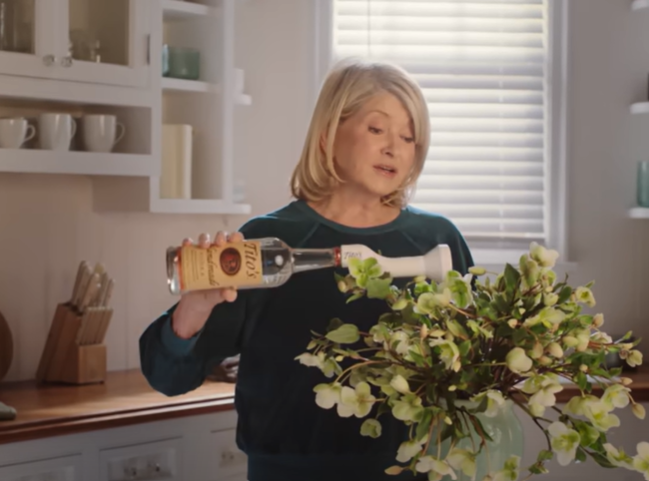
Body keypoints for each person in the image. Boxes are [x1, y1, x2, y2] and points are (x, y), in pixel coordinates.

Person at [139, 57, 475, 481]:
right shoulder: (265, 240)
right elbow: (168, 378)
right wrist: (197, 305)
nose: (395, 147)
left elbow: (470, 370)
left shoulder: (437, 240)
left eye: (409, 138)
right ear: (328, 135)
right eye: (377, 129)